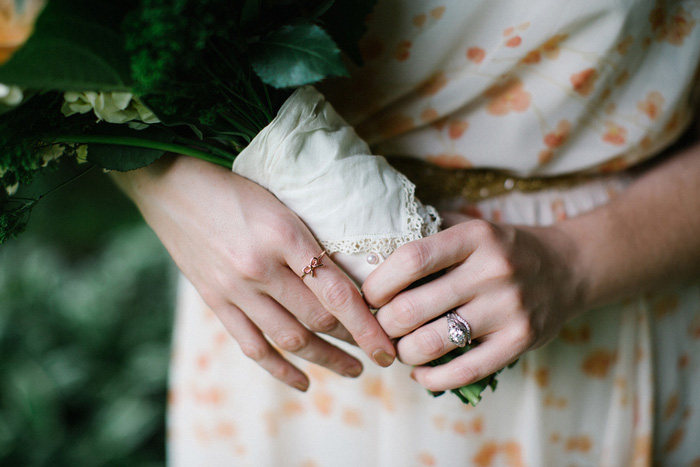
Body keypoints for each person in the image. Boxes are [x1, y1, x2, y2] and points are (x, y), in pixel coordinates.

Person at [113, 0, 700, 465]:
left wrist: (575, 262)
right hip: (269, 289)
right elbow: (51, 54)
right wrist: (161, 180)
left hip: (614, 282)